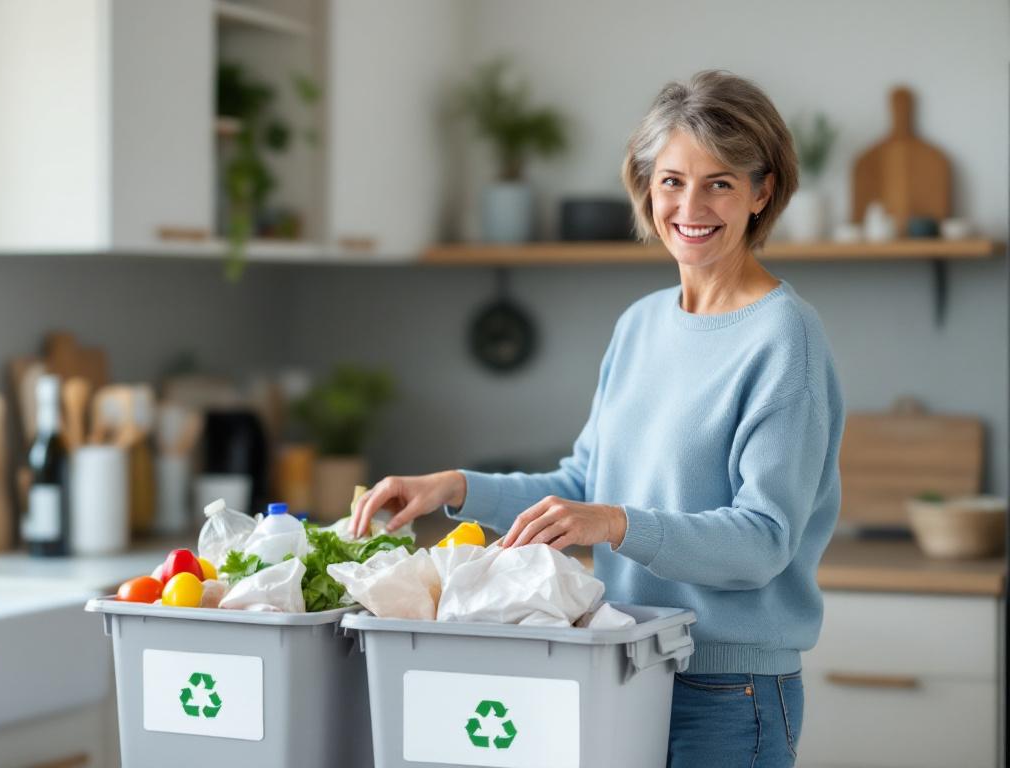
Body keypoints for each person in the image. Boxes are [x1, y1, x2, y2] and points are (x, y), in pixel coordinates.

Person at [351, 70, 844, 768]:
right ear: (646, 187)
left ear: (762, 192)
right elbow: (584, 486)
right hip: (624, 666)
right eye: (672, 181)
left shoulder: (785, 339)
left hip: (728, 691)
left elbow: (763, 539)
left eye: (720, 183)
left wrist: (615, 523)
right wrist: (455, 487)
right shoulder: (640, 324)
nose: (690, 206)